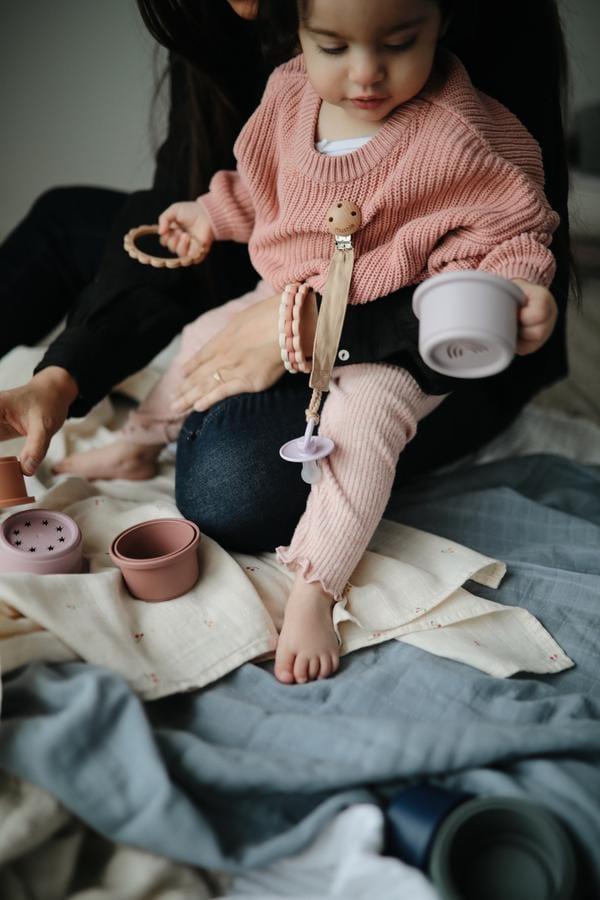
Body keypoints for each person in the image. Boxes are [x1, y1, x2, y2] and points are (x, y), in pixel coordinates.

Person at [0, 1, 574, 679]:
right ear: (296, 29)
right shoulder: (288, 94)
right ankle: (139, 440)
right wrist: (207, 215)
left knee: (359, 431)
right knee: (202, 340)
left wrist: (523, 288)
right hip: (285, 293)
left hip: (398, 330)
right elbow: (262, 187)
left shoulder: (461, 131)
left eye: (398, 43)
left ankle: (316, 588)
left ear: (440, 21)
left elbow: (513, 226)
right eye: (333, 46)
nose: (366, 73)